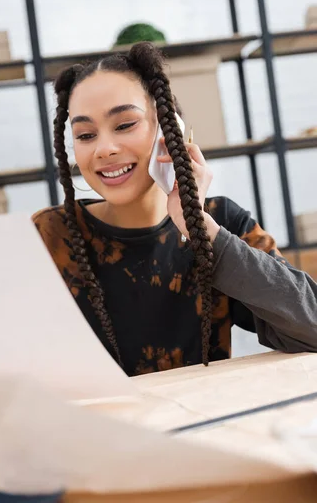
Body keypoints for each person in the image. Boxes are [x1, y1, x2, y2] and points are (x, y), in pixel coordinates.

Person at [33, 42, 317, 376]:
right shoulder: (51, 236)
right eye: (85, 134)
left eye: (125, 125)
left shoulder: (222, 221)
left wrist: (198, 226)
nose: (104, 148)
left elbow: (310, 326)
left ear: (171, 131)